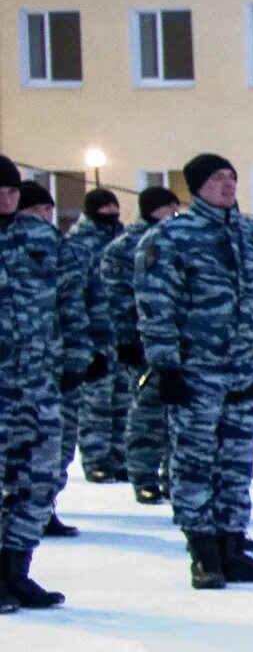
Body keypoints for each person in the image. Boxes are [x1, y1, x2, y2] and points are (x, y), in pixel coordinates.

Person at [135, 153, 253, 590]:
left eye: (231, 177)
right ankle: (203, 552)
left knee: (236, 462)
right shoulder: (172, 237)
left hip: (246, 369)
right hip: (196, 371)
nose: (227, 185)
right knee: (193, 462)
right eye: (216, 179)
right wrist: (165, 365)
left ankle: (232, 544)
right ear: (195, 187)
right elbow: (156, 306)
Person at [0, 164, 91, 606]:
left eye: (12, 190)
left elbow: (72, 300)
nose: (7, 198)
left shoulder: (42, 239)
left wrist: (77, 356)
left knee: (38, 480)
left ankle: (16, 570)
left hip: (36, 384)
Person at [104, 184, 181, 505]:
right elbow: (118, 299)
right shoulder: (123, 247)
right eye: (169, 208)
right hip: (142, 341)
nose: (175, 213)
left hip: (177, 342)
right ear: (155, 209)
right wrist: (126, 339)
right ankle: (143, 475)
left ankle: (173, 476)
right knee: (147, 414)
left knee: (179, 415)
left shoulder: (178, 240)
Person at [65, 187, 131, 486]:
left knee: (123, 400)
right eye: (105, 208)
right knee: (96, 403)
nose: (111, 212)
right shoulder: (77, 245)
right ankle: (96, 459)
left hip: (122, 333)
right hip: (94, 334)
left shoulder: (125, 240)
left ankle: (119, 458)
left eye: (114, 206)